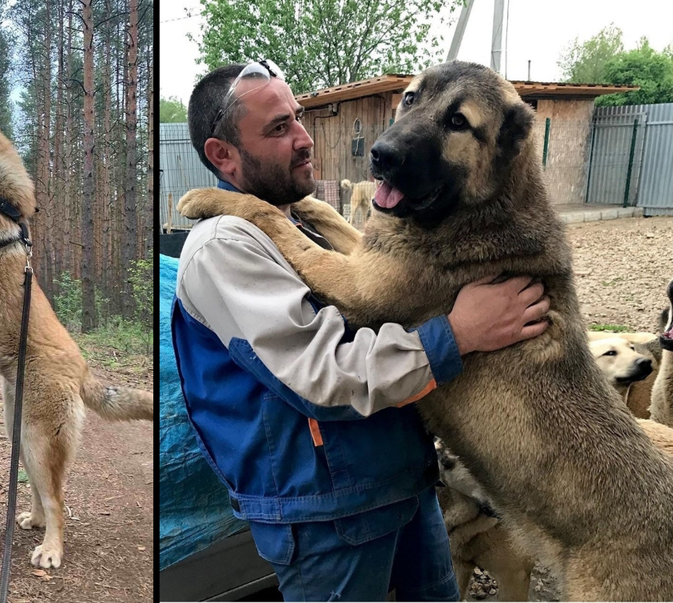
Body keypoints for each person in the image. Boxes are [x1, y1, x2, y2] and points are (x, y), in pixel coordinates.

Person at [170, 61, 551, 601]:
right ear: (223, 154)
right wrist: (459, 333)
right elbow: (324, 375)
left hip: (402, 483)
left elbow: (379, 294)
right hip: (327, 516)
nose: (304, 139)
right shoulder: (224, 247)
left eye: (298, 118)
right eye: (278, 128)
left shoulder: (301, 217)